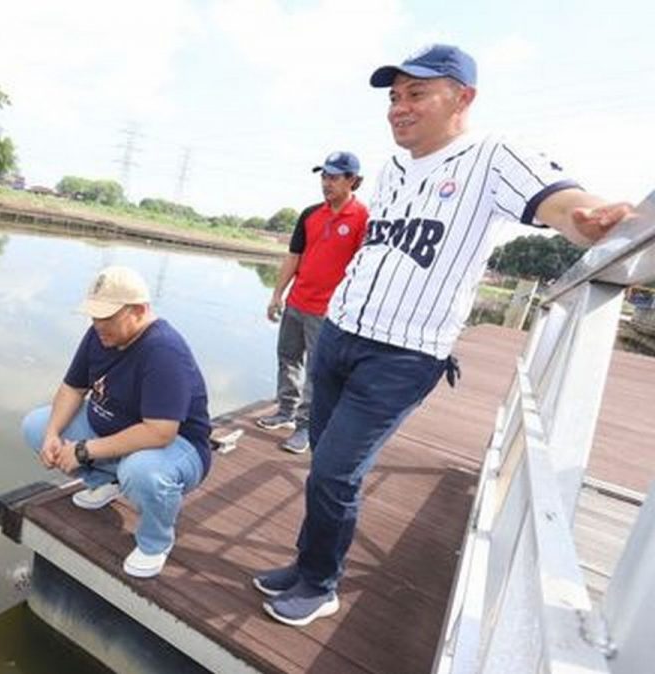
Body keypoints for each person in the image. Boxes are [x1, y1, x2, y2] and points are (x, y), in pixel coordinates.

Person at [253, 44, 635, 627]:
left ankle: (322, 584)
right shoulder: (394, 168)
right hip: (340, 334)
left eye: (416, 94)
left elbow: (557, 200)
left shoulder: (491, 155)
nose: (399, 108)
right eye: (394, 97)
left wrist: (583, 217)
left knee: (335, 471)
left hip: (402, 354)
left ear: (462, 97)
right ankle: (305, 566)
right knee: (322, 464)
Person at [22, 266, 212, 578]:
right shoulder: (99, 335)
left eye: (107, 317)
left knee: (141, 472)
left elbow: (160, 432)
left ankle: (155, 542)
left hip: (177, 447)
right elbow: (73, 387)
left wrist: (84, 450)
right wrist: (53, 434)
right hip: (112, 428)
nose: (98, 325)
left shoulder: (163, 350)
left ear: (139, 310)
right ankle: (106, 482)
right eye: (94, 316)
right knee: (36, 425)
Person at [258, 152, 369, 453]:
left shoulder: (363, 219)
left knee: (318, 371)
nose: (326, 183)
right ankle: (285, 411)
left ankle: (306, 428)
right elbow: (294, 256)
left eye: (334, 177)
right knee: (288, 357)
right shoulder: (309, 214)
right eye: (324, 176)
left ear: (353, 181)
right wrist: (277, 294)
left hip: (329, 312)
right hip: (297, 302)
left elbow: (365, 268)